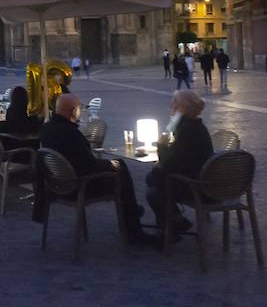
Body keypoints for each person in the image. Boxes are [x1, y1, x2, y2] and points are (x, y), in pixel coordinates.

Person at [38, 94, 156, 245]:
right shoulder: (71, 133)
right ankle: (133, 228)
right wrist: (109, 165)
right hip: (81, 186)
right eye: (79, 108)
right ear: (74, 112)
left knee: (118, 167)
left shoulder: (47, 128)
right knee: (120, 168)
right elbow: (88, 165)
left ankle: (131, 210)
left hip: (57, 184)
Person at [145, 90, 215, 237]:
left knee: (153, 188)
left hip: (196, 186)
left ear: (183, 108)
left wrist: (162, 146)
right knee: (154, 179)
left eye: (174, 105)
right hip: (204, 180)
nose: (171, 108)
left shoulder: (187, 129)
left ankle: (172, 226)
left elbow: (170, 164)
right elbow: (179, 158)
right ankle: (174, 220)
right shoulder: (196, 126)